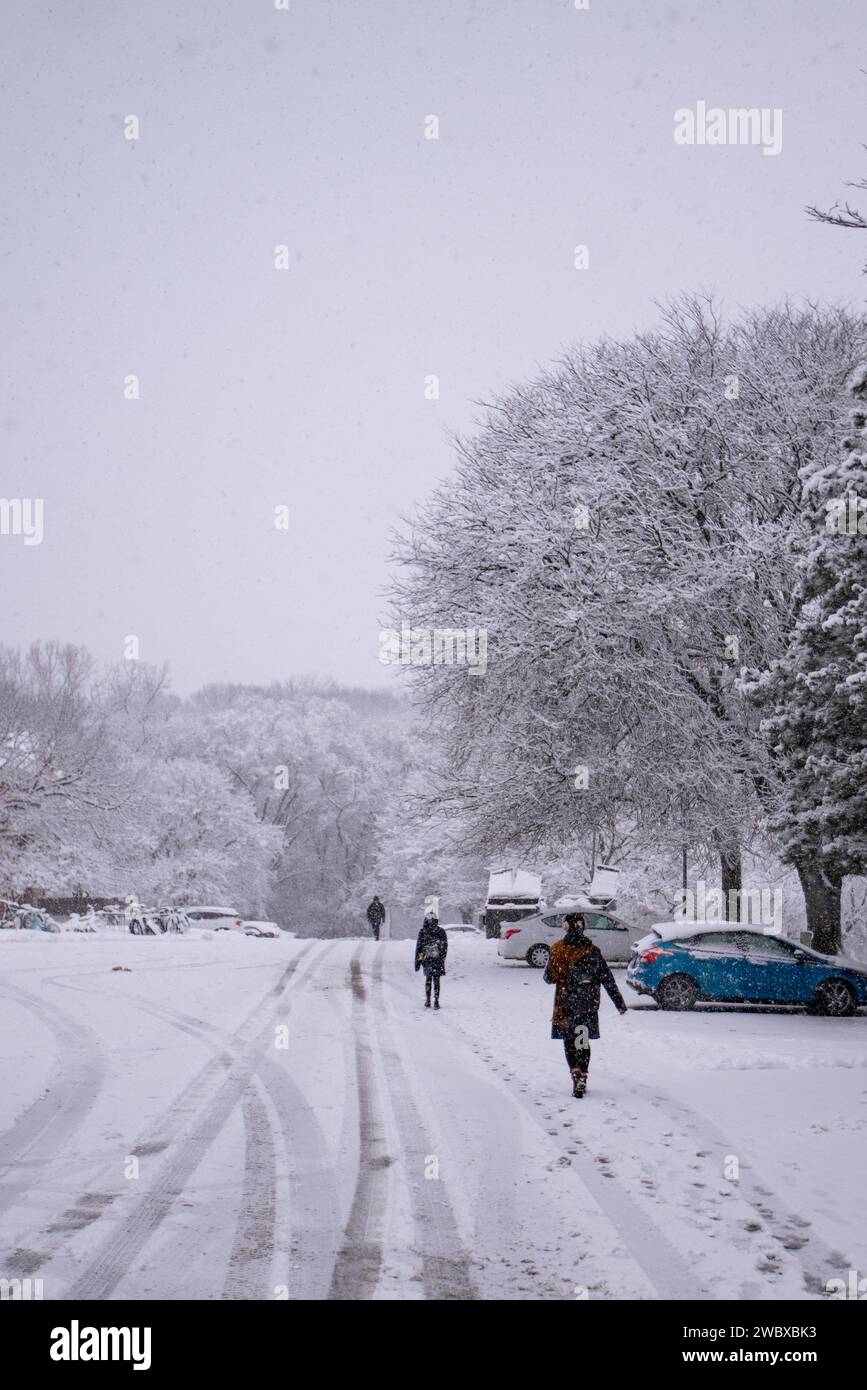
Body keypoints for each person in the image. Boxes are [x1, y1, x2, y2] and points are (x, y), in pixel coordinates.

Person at [544, 912, 627, 1098]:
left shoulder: (557, 949)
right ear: (583, 927)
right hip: (587, 1003)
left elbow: (548, 978)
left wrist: (560, 971)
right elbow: (607, 978)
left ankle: (574, 1072)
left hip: (565, 1003)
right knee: (582, 1039)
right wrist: (619, 1003)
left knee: (569, 1039)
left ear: (565, 926)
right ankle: (582, 1074)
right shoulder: (592, 950)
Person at [415, 913, 448, 1009]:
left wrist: (419, 961)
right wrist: (442, 957)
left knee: (428, 979)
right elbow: (445, 946)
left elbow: (419, 948)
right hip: (437, 960)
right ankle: (436, 1000)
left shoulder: (423, 931)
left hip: (427, 960)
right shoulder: (441, 931)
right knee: (437, 980)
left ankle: (428, 1000)